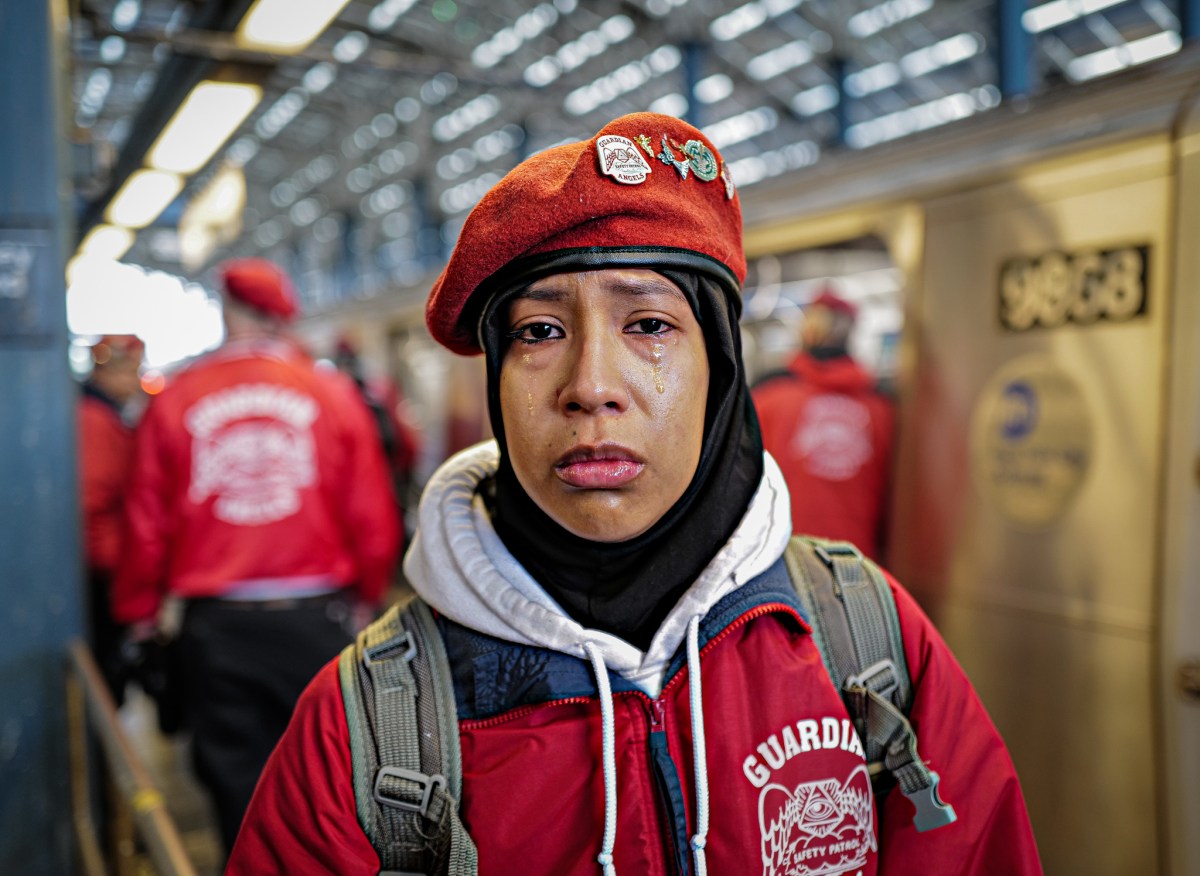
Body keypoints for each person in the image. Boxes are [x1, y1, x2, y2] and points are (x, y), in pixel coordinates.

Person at [229, 113, 1041, 875]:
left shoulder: (869, 642)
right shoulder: (367, 726)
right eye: (539, 332)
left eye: (649, 325)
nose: (591, 387)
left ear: (720, 366)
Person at [112, 258, 401, 856]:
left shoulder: (175, 400)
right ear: (281, 316)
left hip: (216, 626)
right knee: (328, 777)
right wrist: (369, 596)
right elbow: (372, 515)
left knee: (234, 779)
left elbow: (145, 522)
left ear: (228, 310)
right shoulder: (332, 394)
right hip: (315, 617)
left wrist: (139, 611)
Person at [753, 288, 895, 562]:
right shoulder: (883, 407)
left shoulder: (768, 396)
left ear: (808, 330)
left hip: (778, 560)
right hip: (859, 565)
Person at [79, 334, 144, 701]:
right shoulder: (95, 421)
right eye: (130, 371)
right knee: (107, 680)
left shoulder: (102, 414)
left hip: (101, 571)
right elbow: (93, 509)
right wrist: (122, 568)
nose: (135, 381)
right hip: (101, 578)